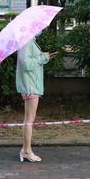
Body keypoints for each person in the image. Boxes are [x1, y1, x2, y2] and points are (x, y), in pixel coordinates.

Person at [16, 34, 58, 162]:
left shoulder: (28, 41)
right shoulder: (26, 41)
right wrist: (43, 57)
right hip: (31, 85)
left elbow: (30, 60)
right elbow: (26, 64)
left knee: (28, 119)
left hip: (32, 84)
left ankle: (25, 149)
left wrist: (43, 57)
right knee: (29, 119)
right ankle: (27, 151)